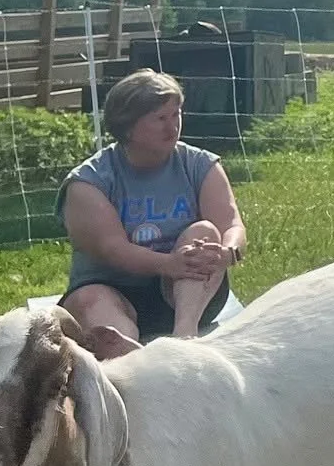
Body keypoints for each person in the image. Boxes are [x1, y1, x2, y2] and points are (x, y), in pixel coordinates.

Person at [58, 69, 247, 353]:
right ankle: (132, 359)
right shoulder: (88, 183)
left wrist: (228, 251)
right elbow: (113, 250)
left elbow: (231, 224)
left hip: (187, 293)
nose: (172, 127)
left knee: (205, 232)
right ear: (128, 127)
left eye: (176, 115)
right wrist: (169, 263)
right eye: (160, 119)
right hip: (112, 291)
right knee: (91, 303)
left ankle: (185, 338)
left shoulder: (200, 164)